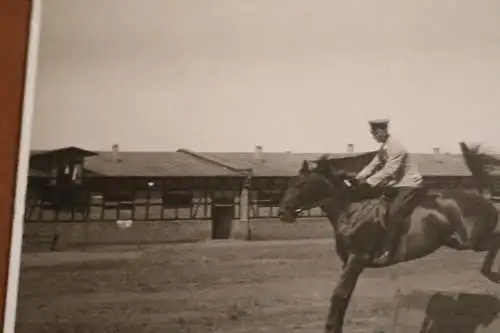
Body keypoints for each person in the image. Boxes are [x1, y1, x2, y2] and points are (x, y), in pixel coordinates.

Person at [355, 119, 423, 265]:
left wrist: (369, 182)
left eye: (377, 132)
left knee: (393, 213)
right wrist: (357, 178)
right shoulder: (384, 147)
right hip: (396, 184)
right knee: (378, 209)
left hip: (409, 183)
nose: (374, 136)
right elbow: (373, 165)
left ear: (385, 131)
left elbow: (390, 169)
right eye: (372, 133)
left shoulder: (396, 147)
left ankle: (389, 251)